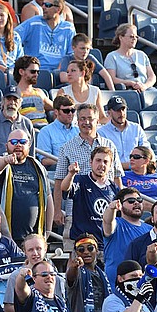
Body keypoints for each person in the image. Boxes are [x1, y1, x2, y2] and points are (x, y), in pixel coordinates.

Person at [55, 103, 123, 250]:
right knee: (77, 256)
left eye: (90, 119)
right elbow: (59, 180)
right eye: (82, 119)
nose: (86, 122)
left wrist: (121, 206)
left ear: (97, 121)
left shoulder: (109, 145)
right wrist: (56, 210)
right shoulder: (67, 147)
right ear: (77, 121)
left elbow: (117, 176)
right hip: (76, 213)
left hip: (106, 213)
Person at [0, 129, 53, 246]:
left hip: (33, 239)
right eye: (13, 142)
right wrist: (5, 160)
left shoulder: (37, 167)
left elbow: (48, 198)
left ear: (29, 145)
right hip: (6, 237)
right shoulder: (3, 164)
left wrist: (47, 232)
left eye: (22, 142)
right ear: (6, 145)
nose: (18, 145)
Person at [61, 148, 119, 251]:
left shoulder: (114, 188)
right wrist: (71, 174)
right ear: (91, 162)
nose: (102, 164)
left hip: (105, 245)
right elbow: (65, 188)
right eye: (98, 160)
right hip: (82, 244)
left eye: (106, 162)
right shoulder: (80, 180)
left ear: (110, 166)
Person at [103, 187, 153, 286]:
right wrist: (111, 208)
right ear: (120, 205)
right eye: (131, 201)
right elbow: (107, 222)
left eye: (139, 200)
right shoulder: (117, 224)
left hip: (142, 285)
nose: (136, 203)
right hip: (117, 287)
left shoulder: (149, 229)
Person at [15, 0, 75, 72]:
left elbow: (72, 54)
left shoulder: (68, 28)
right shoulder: (34, 22)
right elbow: (13, 37)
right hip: (36, 71)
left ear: (58, 9)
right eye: (43, 4)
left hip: (59, 73)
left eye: (47, 5)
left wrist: (59, 69)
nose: (43, 7)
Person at [0, 86, 35, 160]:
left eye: (15, 100)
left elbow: (31, 154)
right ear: (2, 101)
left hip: (21, 169)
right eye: (8, 99)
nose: (12, 103)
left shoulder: (27, 124)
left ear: (20, 103)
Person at [105, 24, 157, 92]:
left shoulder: (142, 55)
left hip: (146, 89)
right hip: (127, 90)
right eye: (131, 37)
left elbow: (152, 76)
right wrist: (130, 83)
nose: (134, 39)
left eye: (136, 37)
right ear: (121, 37)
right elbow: (112, 78)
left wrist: (145, 86)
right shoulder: (112, 56)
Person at [97, 96, 147, 167]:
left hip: (137, 171)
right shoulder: (102, 133)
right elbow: (102, 160)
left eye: (123, 109)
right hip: (113, 174)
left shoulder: (136, 128)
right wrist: (128, 165)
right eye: (117, 110)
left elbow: (147, 152)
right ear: (109, 113)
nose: (121, 113)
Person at [57, 60, 106, 125]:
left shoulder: (95, 91)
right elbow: (58, 116)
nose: (69, 74)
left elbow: (101, 117)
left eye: (73, 71)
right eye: (67, 72)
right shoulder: (62, 92)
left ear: (82, 73)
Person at [36, 96, 78, 166]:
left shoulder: (79, 131)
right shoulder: (46, 132)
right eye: (66, 111)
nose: (70, 114)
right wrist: (67, 162)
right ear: (56, 112)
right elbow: (44, 160)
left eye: (73, 110)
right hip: (57, 173)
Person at [15, 55, 53, 129]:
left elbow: (56, 107)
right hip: (27, 130)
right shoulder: (14, 94)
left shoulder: (39, 92)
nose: (36, 74)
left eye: (38, 72)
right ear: (21, 72)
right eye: (33, 71)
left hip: (45, 129)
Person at [0, 3, 23, 72]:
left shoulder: (15, 36)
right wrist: (5, 70)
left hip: (13, 73)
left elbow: (20, 60)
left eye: (2, 15)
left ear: (7, 17)